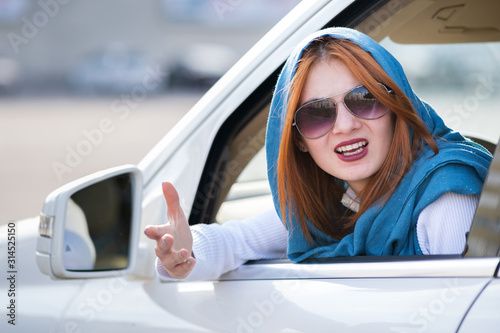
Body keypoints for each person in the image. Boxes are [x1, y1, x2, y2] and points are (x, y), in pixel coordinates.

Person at [144, 27, 492, 281]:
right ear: (297, 140)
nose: (344, 125)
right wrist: (183, 252)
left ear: (396, 106)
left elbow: (465, 306)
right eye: (316, 115)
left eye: (365, 100)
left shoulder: (446, 197)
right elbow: (236, 242)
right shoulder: (340, 199)